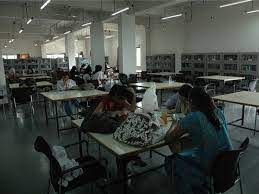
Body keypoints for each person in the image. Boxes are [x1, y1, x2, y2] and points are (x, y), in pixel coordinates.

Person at [165, 87, 232, 194]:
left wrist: (173, 126)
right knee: (186, 146)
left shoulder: (194, 117)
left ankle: (195, 188)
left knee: (171, 160)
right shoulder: (219, 112)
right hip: (228, 167)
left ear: (191, 102)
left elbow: (169, 138)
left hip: (210, 168)